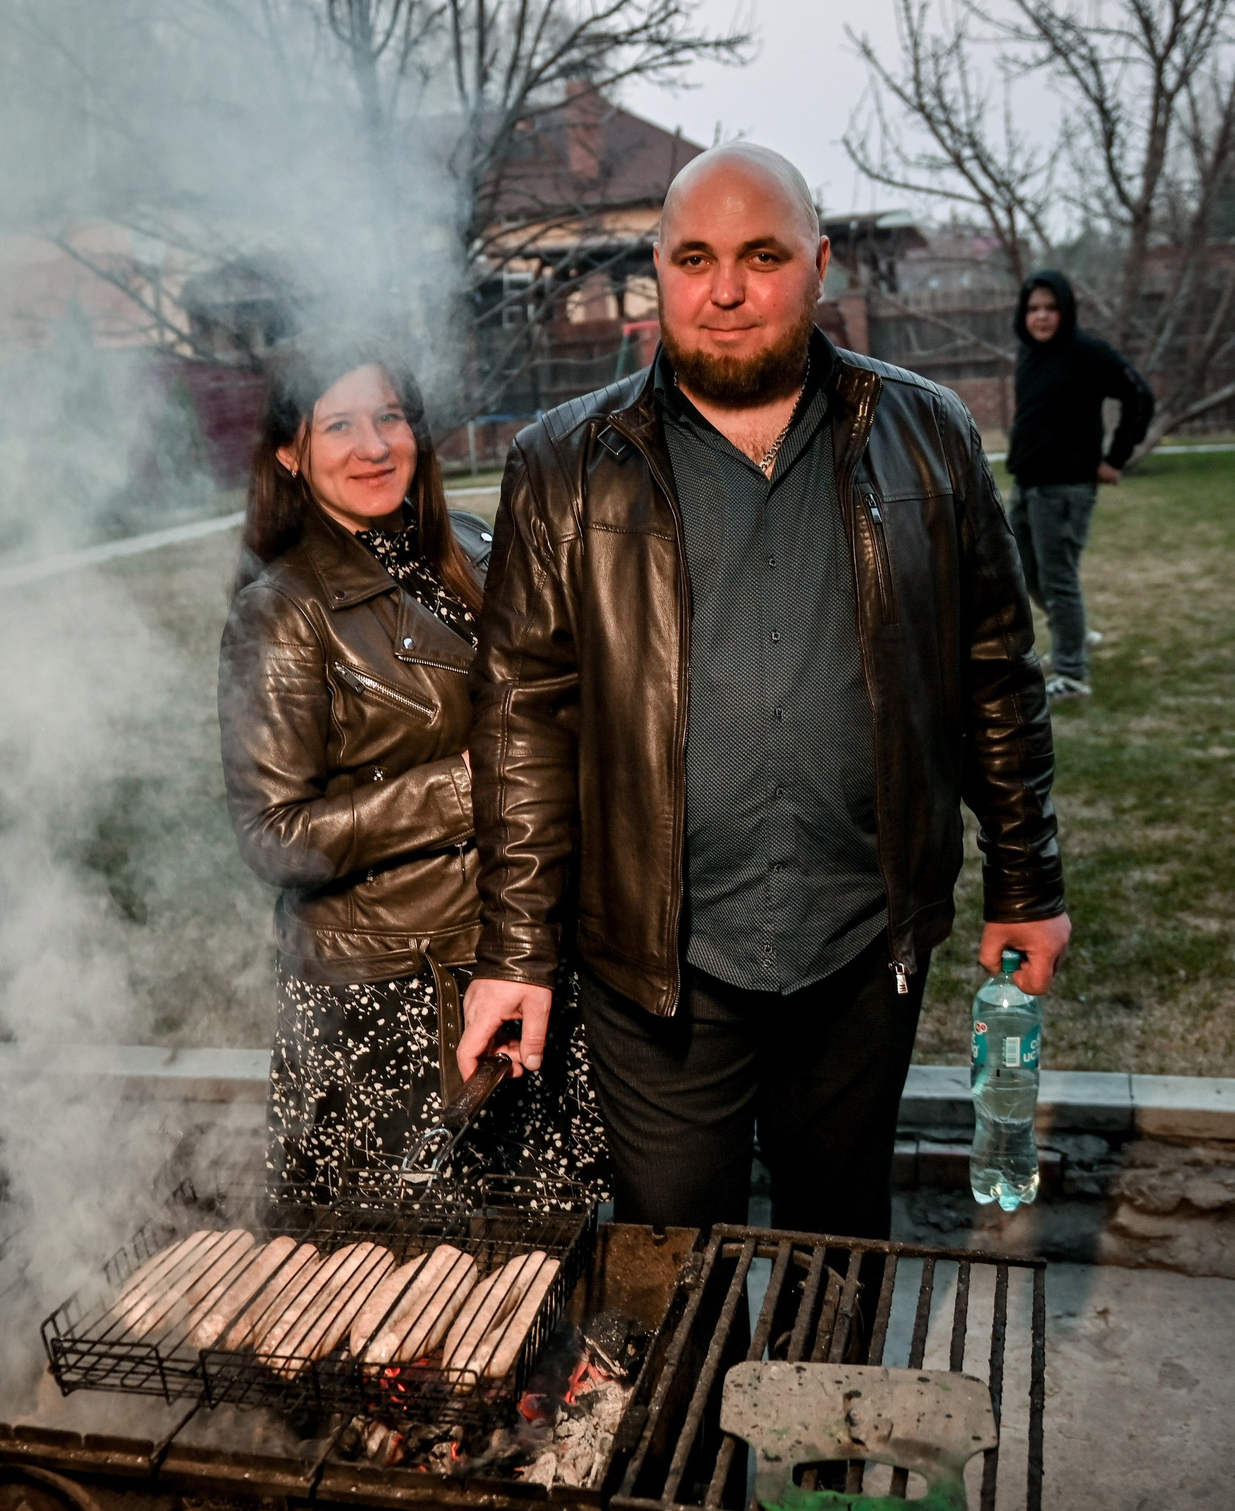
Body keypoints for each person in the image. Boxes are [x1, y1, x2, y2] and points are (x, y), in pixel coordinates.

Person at [457, 144, 1070, 1238]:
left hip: (859, 944)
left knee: (835, 1239)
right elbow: (520, 722)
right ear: (657, 268)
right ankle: (695, 1419)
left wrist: (1026, 879)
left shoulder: (926, 436)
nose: (725, 289)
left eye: (761, 255)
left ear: (821, 263)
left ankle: (820, 1417)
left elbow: (994, 673)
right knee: (668, 1256)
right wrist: (515, 951)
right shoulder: (561, 461)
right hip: (659, 963)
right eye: (694, 257)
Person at [218, 346, 607, 1200]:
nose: (374, 446)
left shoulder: (465, 543)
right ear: (291, 451)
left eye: (390, 417)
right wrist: (471, 785)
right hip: (392, 997)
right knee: (397, 1282)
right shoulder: (281, 612)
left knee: (525, 1265)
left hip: (514, 951)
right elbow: (274, 838)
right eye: (341, 424)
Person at [1008, 269, 1155, 701]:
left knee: (1058, 578)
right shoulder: (1031, 354)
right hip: (1029, 483)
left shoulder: (1086, 352)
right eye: (1034, 309)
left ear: (1066, 311)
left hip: (1065, 489)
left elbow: (1139, 396)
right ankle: (1074, 635)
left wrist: (1115, 458)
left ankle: (1071, 673)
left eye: (1051, 308)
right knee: (1025, 572)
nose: (1042, 317)